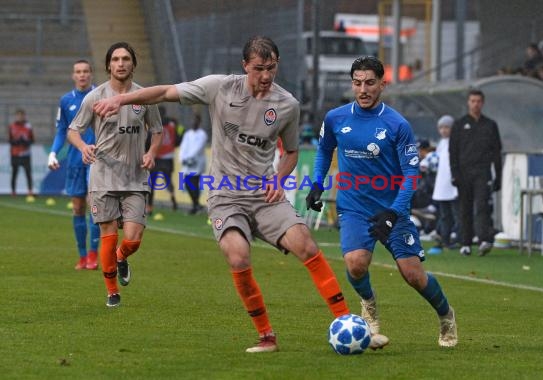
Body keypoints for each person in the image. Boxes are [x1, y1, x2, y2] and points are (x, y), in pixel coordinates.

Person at [92, 35, 351, 353]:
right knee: (238, 254)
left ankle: (346, 321)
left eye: (272, 68)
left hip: (263, 194)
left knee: (305, 244)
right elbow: (166, 92)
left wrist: (280, 179)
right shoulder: (219, 87)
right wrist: (122, 100)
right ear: (245, 66)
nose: (266, 76)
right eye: (259, 68)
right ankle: (266, 336)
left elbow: (292, 152)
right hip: (225, 196)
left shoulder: (287, 105)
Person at [306, 56, 458, 348]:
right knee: (355, 264)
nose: (363, 89)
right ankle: (369, 304)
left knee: (413, 275)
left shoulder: (397, 124)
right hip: (353, 205)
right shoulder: (336, 117)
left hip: (392, 208)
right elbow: (324, 150)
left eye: (370, 83)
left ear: (382, 85)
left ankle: (446, 315)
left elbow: (411, 173)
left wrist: (394, 212)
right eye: (357, 83)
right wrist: (316, 183)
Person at [67, 42, 163, 307]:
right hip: (103, 176)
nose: (121, 64)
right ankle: (112, 292)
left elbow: (157, 130)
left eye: (126, 59)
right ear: (109, 65)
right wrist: (83, 145)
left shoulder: (145, 96)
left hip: (135, 177)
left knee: (133, 238)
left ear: (133, 64)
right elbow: (73, 130)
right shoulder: (95, 96)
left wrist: (152, 152)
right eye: (116, 59)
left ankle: (122, 257)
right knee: (107, 235)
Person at [47, 59, 100, 270]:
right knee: (77, 208)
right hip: (75, 160)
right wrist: (52, 152)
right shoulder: (66, 100)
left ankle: (94, 254)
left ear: (91, 74)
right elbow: (62, 130)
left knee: (94, 206)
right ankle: (82, 255)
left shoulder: (101, 96)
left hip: (97, 160)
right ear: (73, 75)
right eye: (78, 72)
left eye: (86, 71)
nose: (82, 75)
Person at [449, 89, 502, 257]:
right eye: (472, 101)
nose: (475, 104)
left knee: (482, 206)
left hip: (483, 172)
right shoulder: (459, 124)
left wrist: (499, 176)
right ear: (468, 103)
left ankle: (483, 239)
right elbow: (453, 151)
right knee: (465, 208)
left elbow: (496, 152)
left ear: (483, 103)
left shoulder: (490, 125)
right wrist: (454, 173)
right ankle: (465, 243)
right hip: (463, 173)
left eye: (478, 101)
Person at [429, 115, 460, 254]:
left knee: (457, 213)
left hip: (453, 184)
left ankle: (458, 238)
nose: (444, 130)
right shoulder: (441, 143)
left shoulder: (457, 142)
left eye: (446, 127)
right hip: (441, 186)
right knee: (444, 215)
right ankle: (445, 239)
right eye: (441, 127)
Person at [146, 106, 178, 215]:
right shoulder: (172, 124)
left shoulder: (154, 124)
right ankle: (173, 199)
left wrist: (147, 152)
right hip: (168, 157)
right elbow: (177, 139)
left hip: (156, 156)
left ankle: (149, 207)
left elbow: (149, 139)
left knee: (152, 184)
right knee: (168, 180)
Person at [179, 113, 208, 214]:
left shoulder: (202, 134)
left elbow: (198, 148)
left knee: (194, 184)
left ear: (199, 122)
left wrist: (190, 157)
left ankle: (195, 205)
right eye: (192, 120)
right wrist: (183, 158)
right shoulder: (188, 134)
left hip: (197, 163)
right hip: (187, 163)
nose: (193, 122)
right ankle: (196, 204)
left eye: (195, 120)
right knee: (187, 183)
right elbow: (183, 147)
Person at [8, 109, 34, 197]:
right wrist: (15, 142)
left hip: (26, 154)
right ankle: (13, 191)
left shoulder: (28, 126)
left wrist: (26, 142)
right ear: (16, 116)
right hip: (15, 153)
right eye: (18, 115)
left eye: (22, 115)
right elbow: (10, 140)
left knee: (28, 172)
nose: (20, 117)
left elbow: (32, 140)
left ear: (24, 116)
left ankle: (30, 191)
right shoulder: (12, 126)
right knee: (14, 172)